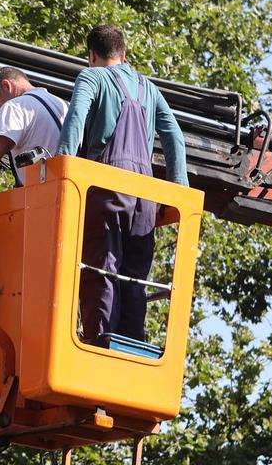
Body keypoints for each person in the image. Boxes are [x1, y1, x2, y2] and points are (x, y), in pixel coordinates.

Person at [56, 24, 188, 346]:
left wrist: (60, 169)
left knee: (102, 270)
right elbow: (174, 136)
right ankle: (130, 349)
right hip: (145, 198)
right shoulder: (149, 89)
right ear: (124, 54)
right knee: (134, 278)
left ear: (91, 55)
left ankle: (99, 346)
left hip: (107, 189)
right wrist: (178, 191)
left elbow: (75, 120)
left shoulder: (91, 78)